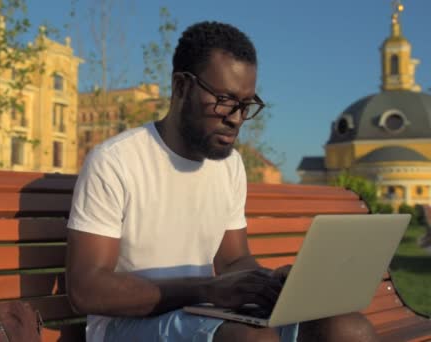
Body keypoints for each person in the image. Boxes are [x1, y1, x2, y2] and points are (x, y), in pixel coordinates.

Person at [66, 21, 379, 342]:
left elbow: (232, 260)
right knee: (254, 340)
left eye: (246, 105)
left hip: (201, 312)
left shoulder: (229, 165)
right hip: (126, 325)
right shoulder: (116, 161)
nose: (237, 117)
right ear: (181, 88)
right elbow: (86, 289)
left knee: (348, 328)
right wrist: (205, 289)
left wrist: (273, 282)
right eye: (225, 100)